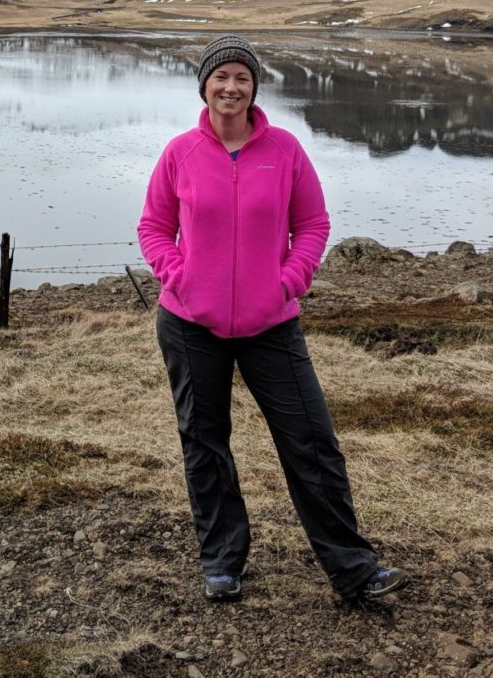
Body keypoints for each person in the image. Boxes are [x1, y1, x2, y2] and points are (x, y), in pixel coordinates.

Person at [136, 34, 408, 605]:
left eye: (242, 78)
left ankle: (354, 570)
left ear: (254, 88)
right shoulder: (179, 153)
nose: (231, 88)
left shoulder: (284, 149)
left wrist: (289, 281)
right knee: (205, 442)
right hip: (189, 323)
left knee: (311, 441)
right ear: (204, 86)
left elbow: (313, 224)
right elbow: (154, 228)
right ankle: (222, 562)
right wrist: (178, 276)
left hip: (271, 323)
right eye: (221, 78)